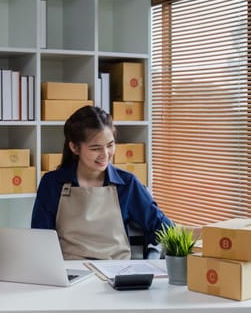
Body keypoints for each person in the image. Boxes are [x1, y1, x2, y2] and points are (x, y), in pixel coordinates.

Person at [31, 105, 173, 260]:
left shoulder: (127, 184)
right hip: (70, 275)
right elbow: (40, 240)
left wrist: (152, 255)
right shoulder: (52, 184)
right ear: (74, 147)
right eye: (95, 148)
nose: (105, 155)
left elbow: (165, 229)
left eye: (110, 145)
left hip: (117, 274)